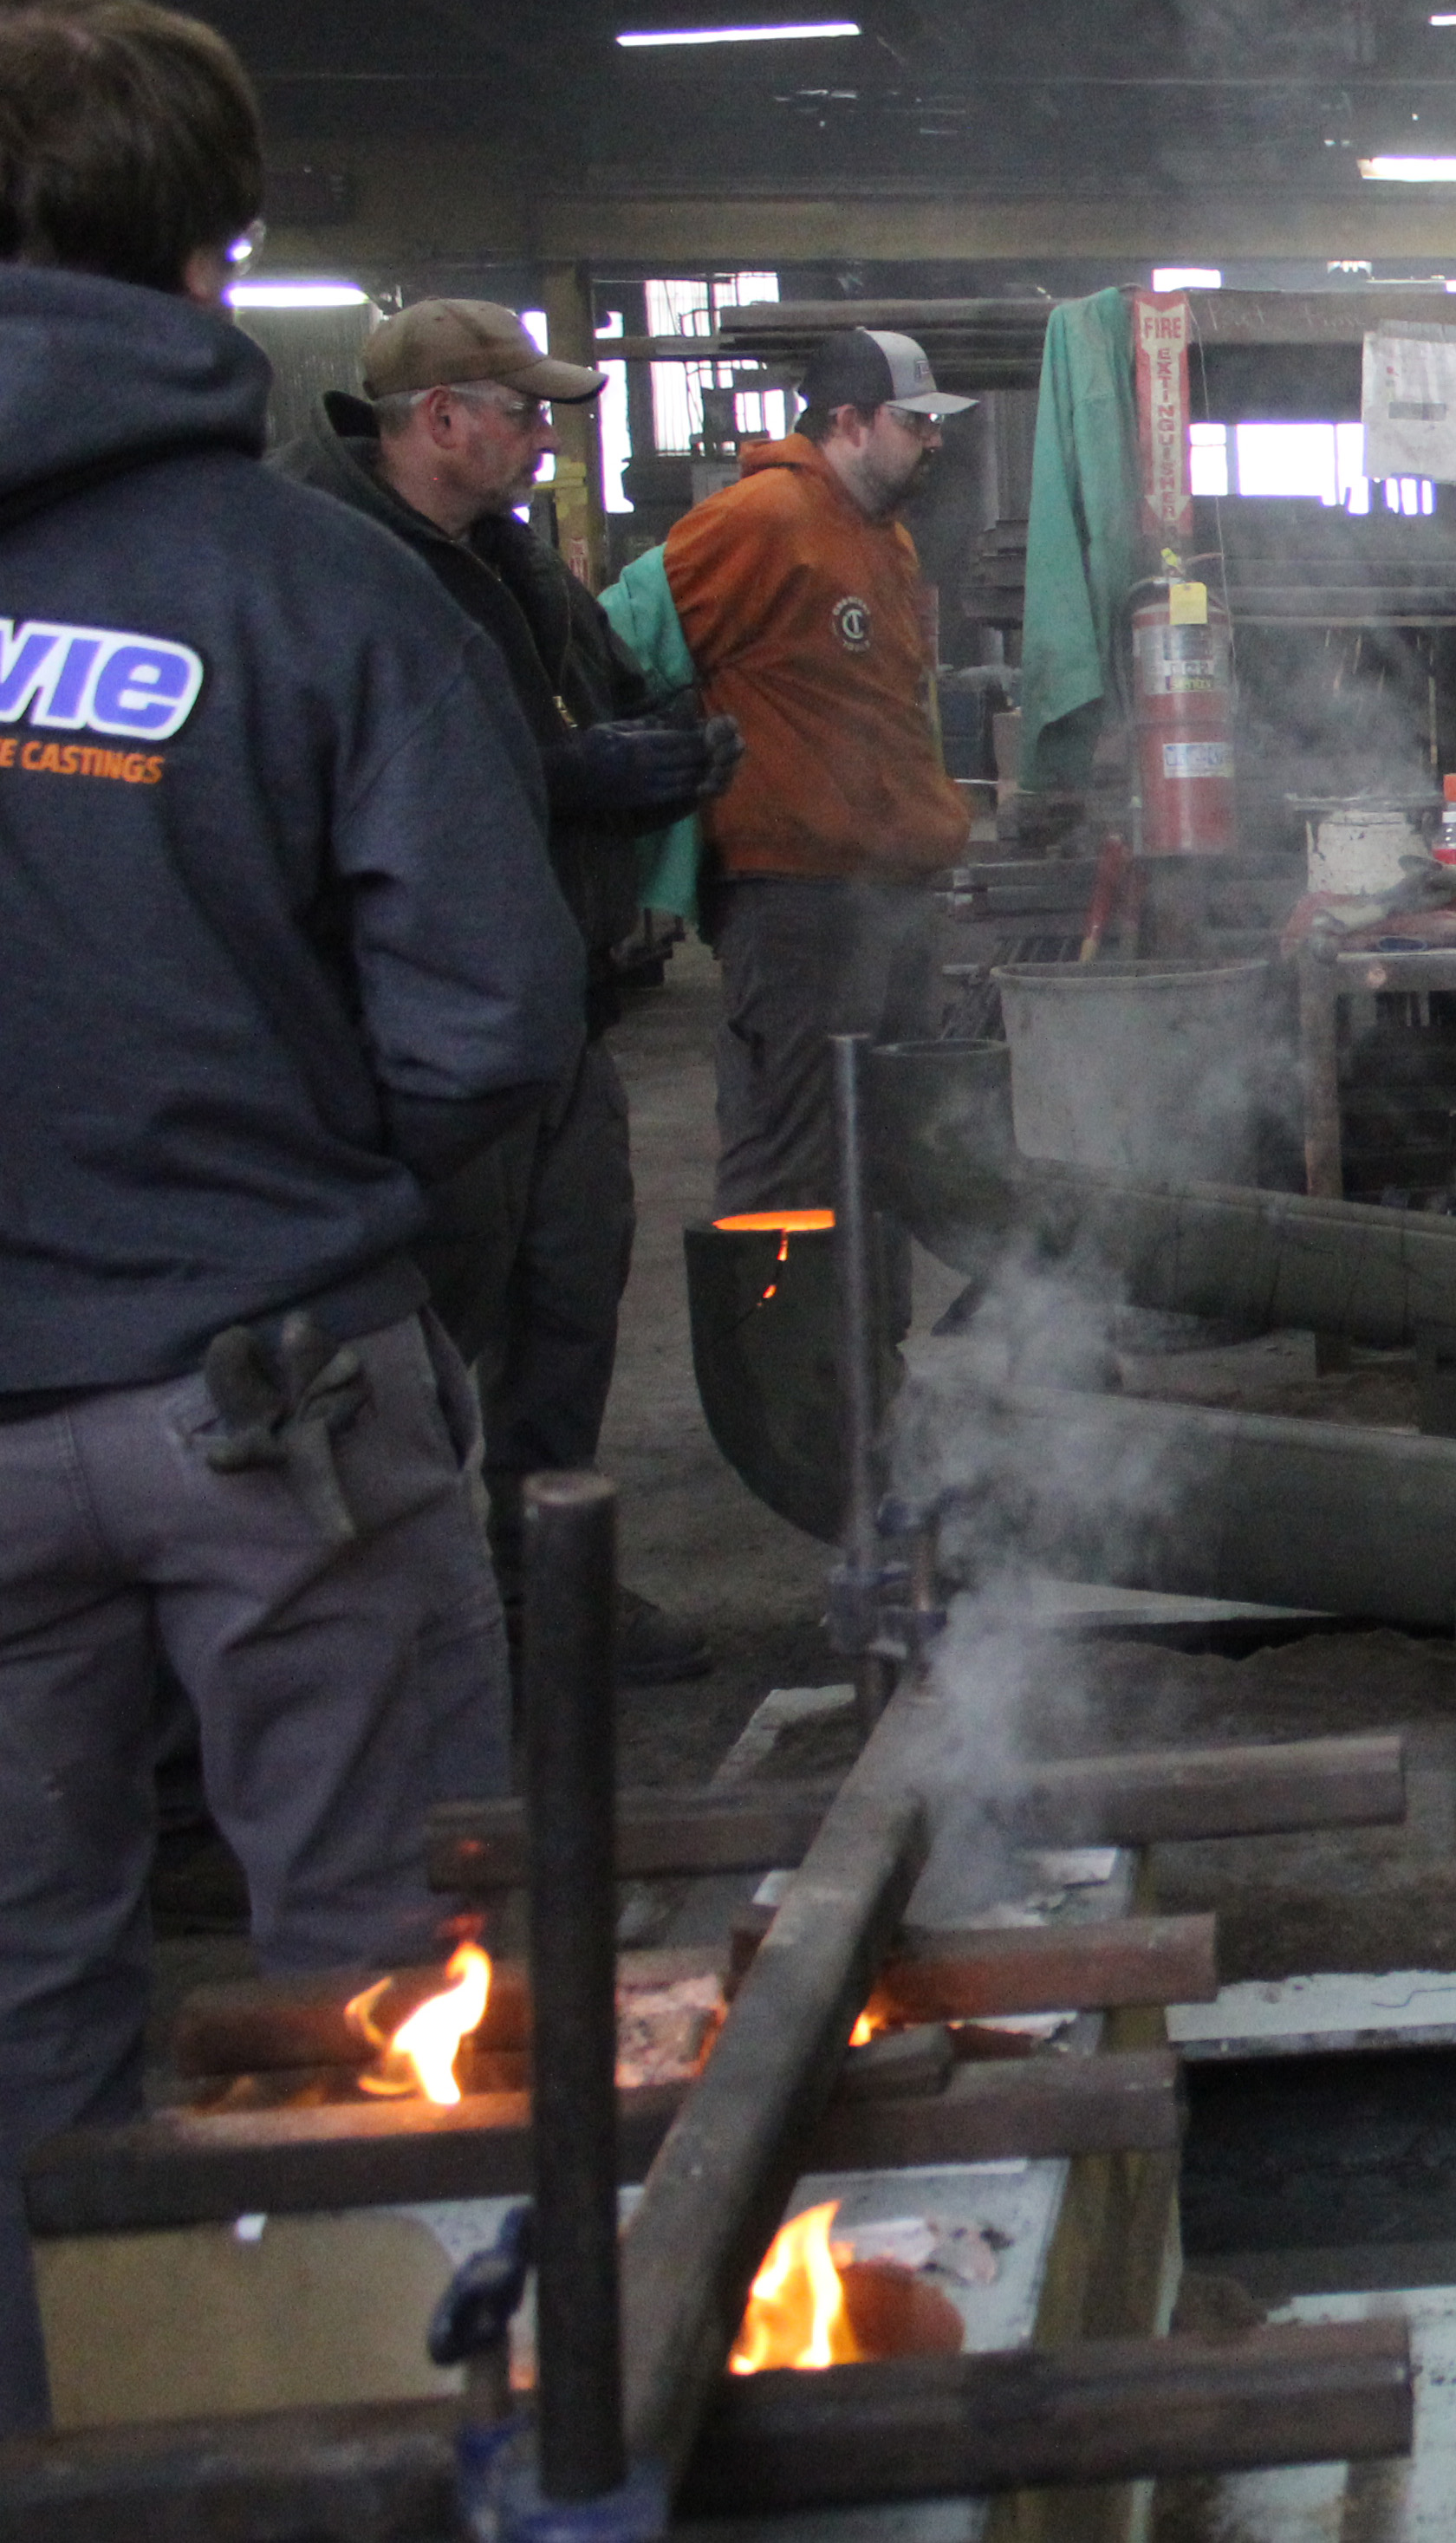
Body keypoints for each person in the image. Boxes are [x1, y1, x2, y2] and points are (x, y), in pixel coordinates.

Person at [0, 0, 579, 2434]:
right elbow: (490, 1025)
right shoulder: (318, 594)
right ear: (227, 259)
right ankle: (381, 2432)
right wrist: (297, 1184)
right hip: (274, 1389)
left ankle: (56, 2432)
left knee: (22, 1981)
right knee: (379, 1955)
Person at [276, 299, 741, 1685]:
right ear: (440, 419)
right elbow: (362, 785)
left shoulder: (510, 561)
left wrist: (642, 743)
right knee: (424, 1339)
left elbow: (570, 710)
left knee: (567, 1296)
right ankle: (403, 1634)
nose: (547, 442)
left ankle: (549, 1594)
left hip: (558, 1004)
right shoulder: (327, 564)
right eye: (526, 414)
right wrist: (565, 780)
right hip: (416, 1033)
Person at [660, 325, 975, 1216]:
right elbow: (628, 644)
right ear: (848, 421)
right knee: (790, 1154)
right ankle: (785, 1353)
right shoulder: (758, 521)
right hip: (794, 899)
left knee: (888, 1153)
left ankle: (871, 1354)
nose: (933, 441)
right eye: (914, 424)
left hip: (888, 892)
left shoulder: (886, 540)